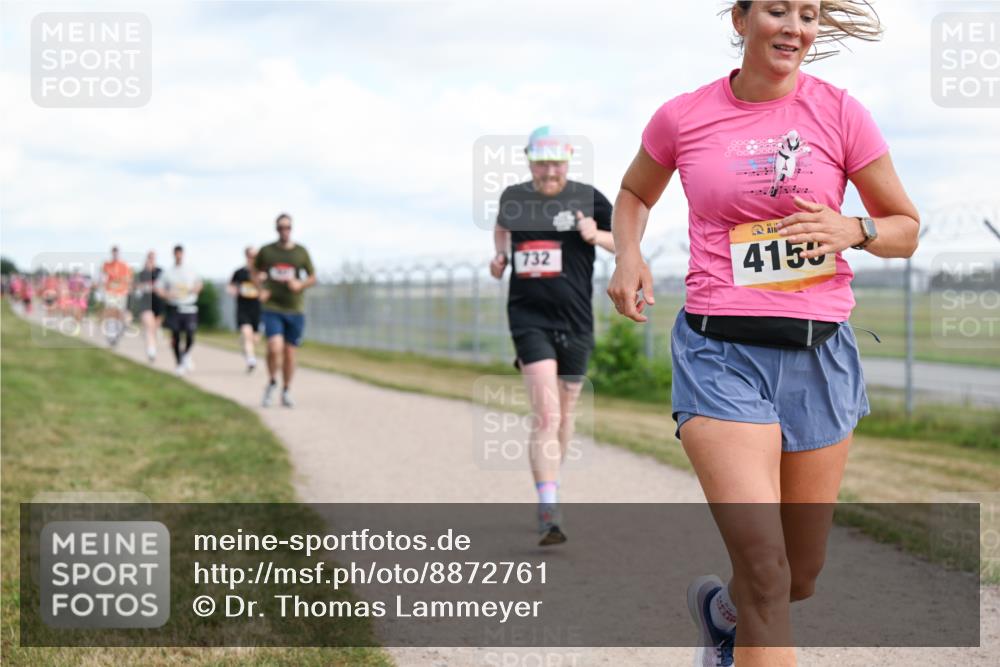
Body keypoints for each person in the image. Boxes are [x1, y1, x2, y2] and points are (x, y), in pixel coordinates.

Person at [606, 3, 918, 666]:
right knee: (767, 571)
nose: (795, 27)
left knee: (798, 575)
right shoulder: (683, 116)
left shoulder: (839, 112)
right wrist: (626, 252)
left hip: (820, 356)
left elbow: (906, 227)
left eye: (808, 14)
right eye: (778, 9)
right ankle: (743, 617)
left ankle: (723, 616)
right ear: (742, 17)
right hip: (719, 353)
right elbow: (635, 191)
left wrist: (854, 229)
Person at [490, 126, 614, 546]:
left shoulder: (588, 197)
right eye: (541, 162)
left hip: (576, 320)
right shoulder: (515, 198)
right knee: (546, 414)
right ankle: (549, 508)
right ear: (530, 162)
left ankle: (551, 484)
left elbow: (626, 240)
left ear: (567, 161)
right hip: (528, 317)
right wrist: (501, 255)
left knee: (565, 413)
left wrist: (596, 235)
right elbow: (501, 226)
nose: (549, 170)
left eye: (556, 162)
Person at [254, 213, 316, 407]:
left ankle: (286, 389)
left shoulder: (300, 252)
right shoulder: (267, 251)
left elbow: (313, 277)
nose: (284, 231)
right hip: (272, 306)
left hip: (295, 308)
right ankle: (272, 381)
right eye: (281, 227)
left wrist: (300, 284)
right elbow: (254, 271)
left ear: (292, 228)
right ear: (276, 229)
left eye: (287, 227)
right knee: (274, 346)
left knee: (289, 352)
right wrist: (260, 289)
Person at [156, 245, 202, 376]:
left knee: (190, 334)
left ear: (183, 254)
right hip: (175, 307)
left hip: (189, 306)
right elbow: (159, 288)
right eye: (176, 254)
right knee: (175, 336)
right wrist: (167, 295)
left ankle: (186, 354)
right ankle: (179, 363)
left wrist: (195, 289)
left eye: (180, 254)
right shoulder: (168, 272)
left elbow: (199, 283)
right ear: (173, 254)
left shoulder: (191, 270)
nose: (178, 256)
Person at [227, 247, 262, 373]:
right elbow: (230, 286)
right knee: (247, 334)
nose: (252, 258)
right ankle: (251, 360)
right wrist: (233, 291)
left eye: (254, 256)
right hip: (243, 308)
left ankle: (247, 349)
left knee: (255, 339)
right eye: (250, 256)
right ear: (246, 256)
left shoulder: (260, 272)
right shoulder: (239, 272)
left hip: (257, 308)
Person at [101, 246, 133, 346]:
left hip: (121, 293)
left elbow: (129, 279)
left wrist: (126, 287)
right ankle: (111, 336)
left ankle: (117, 333)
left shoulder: (124, 266)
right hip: (110, 292)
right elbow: (103, 278)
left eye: (116, 253)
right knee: (111, 313)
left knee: (119, 315)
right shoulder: (107, 265)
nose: (115, 255)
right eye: (113, 253)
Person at [136, 251, 165, 362]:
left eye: (153, 258)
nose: (151, 260)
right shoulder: (142, 273)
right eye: (149, 258)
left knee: (154, 329)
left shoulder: (160, 272)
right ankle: (151, 351)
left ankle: (152, 345)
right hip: (146, 303)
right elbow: (138, 286)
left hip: (158, 303)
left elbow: (164, 285)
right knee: (149, 327)